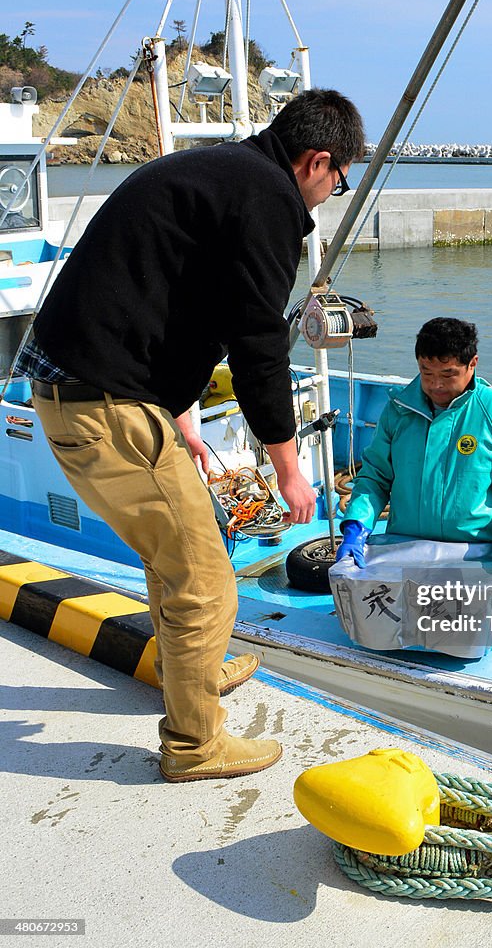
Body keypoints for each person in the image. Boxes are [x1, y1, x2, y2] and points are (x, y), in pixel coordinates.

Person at [19, 88, 365, 781]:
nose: (334, 191)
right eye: (340, 178)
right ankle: (194, 746)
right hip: (105, 404)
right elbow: (258, 342)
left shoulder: (222, 173)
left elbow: (170, 294)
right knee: (206, 581)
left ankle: (195, 669)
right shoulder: (270, 199)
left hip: (91, 392)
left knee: (172, 554)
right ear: (317, 161)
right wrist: (290, 467)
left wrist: (177, 410)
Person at [336, 317, 492, 579]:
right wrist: (356, 525)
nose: (437, 385)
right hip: (406, 546)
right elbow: (375, 478)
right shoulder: (398, 410)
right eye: (427, 373)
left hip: (475, 551)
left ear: (472, 364)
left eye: (448, 374)